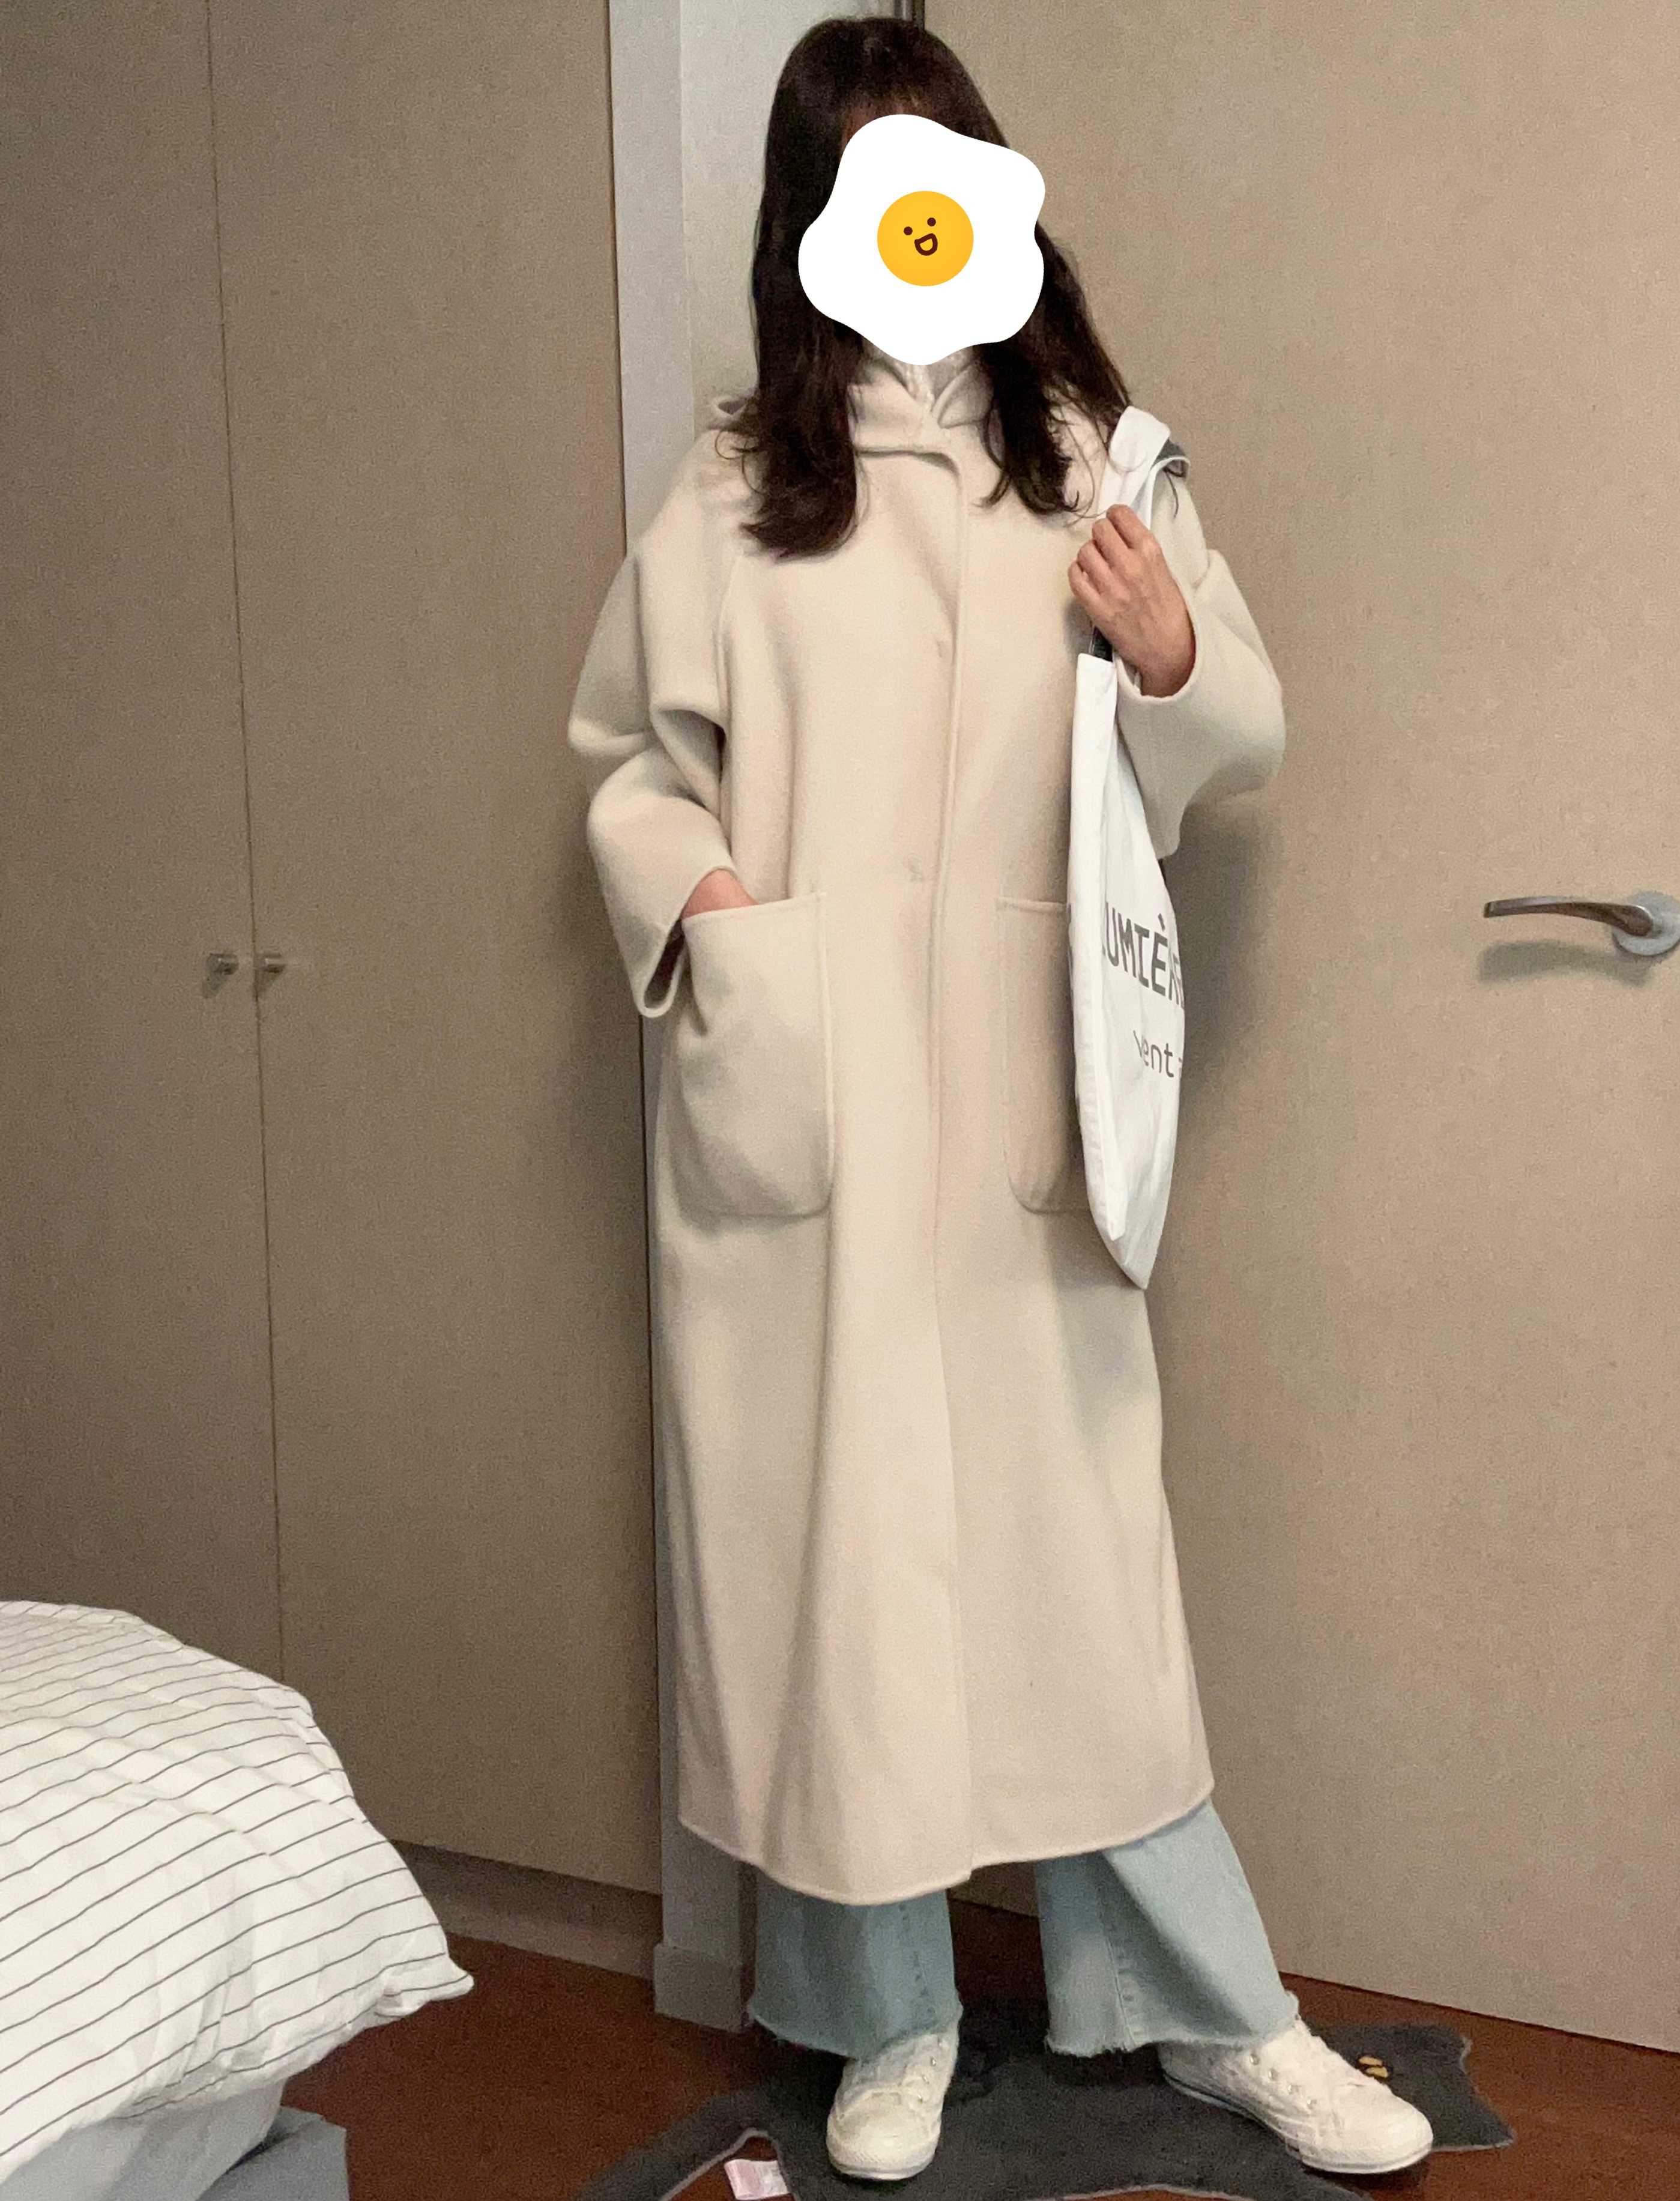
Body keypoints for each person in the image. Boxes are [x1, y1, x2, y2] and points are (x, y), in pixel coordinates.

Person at [568, 14, 1433, 2185]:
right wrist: (719, 917)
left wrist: (1165, 650)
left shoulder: (1097, 459)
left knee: (1085, 1603)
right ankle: (886, 2021)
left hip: (1037, 1111)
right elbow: (632, 766)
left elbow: (1237, 726)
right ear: (812, 218)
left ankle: (1219, 2015)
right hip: (816, 1106)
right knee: (843, 1589)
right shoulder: (737, 482)